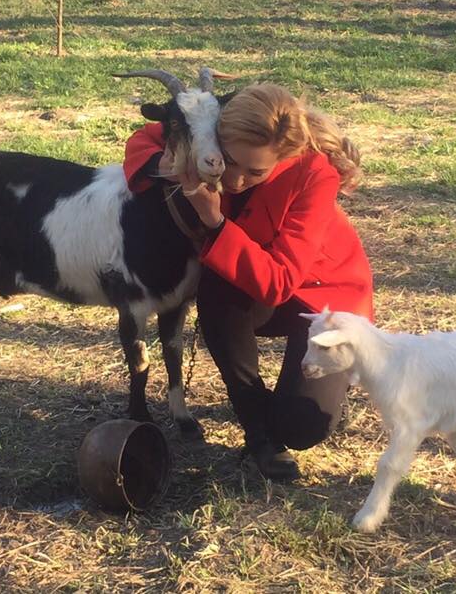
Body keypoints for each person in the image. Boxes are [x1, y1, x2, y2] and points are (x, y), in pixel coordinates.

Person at [123, 83, 373, 480]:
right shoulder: (222, 126)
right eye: (230, 162)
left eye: (255, 172)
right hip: (253, 284)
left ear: (285, 155)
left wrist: (214, 221)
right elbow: (147, 137)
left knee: (301, 427)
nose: (236, 181)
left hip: (325, 297)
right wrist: (167, 163)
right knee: (218, 289)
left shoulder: (314, 174)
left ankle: (322, 394)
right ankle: (258, 432)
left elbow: (280, 281)